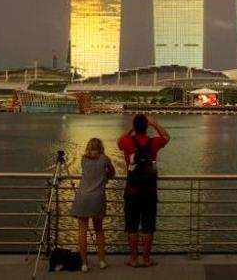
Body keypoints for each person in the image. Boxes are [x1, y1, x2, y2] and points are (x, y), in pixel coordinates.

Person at [117, 114, 170, 267]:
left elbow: (118, 142)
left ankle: (133, 259)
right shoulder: (153, 142)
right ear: (147, 127)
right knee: (148, 227)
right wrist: (156, 124)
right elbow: (167, 136)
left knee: (132, 227)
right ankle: (146, 259)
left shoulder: (127, 141)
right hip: (149, 191)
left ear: (134, 126)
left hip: (132, 190)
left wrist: (130, 129)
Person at [69, 138, 116, 272]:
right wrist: (104, 178)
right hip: (98, 198)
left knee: (82, 231)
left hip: (82, 197)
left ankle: (84, 264)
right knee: (99, 230)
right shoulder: (105, 159)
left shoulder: (83, 160)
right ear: (101, 147)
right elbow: (112, 172)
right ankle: (101, 261)